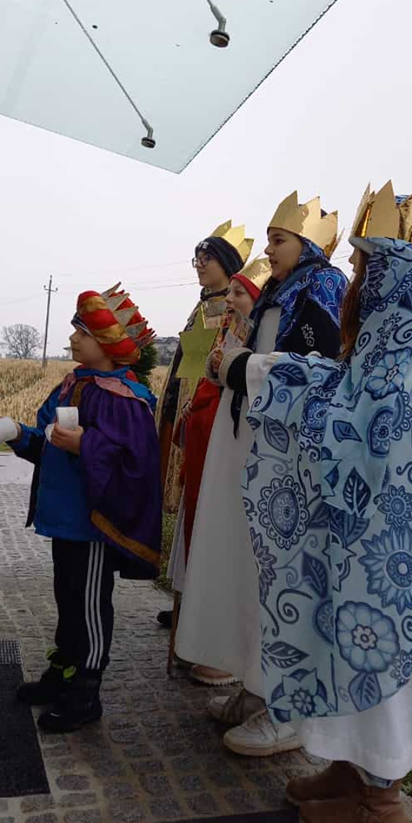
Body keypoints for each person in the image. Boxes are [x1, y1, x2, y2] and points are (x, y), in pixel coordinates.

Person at [240, 182, 412, 823]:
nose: (355, 279)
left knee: (385, 653)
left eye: (364, 265)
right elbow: (357, 392)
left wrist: (268, 376)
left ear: (395, 274)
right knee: (349, 642)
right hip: (372, 550)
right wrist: (276, 374)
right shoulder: (406, 339)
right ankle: (351, 770)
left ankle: (381, 802)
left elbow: (367, 422)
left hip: (395, 568)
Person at [175, 192, 347, 739]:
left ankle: (285, 707)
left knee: (279, 574)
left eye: (278, 240)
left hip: (287, 454)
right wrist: (228, 366)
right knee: (249, 567)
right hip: (248, 443)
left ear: (309, 244)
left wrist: (242, 367)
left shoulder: (323, 289)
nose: (268, 251)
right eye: (269, 240)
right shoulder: (277, 290)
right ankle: (255, 684)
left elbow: (319, 370)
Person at [3, 284, 161, 733]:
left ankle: (87, 689)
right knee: (67, 598)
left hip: (92, 523)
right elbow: (48, 442)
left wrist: (86, 444)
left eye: (83, 332)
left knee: (90, 603)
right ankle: (63, 671)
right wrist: (21, 436)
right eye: (75, 329)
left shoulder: (123, 398)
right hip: (65, 520)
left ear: (108, 344)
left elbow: (136, 461)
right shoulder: (72, 384)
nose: (73, 338)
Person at [170, 256, 272, 685]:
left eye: (238, 292)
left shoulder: (262, 336)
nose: (229, 300)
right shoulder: (229, 330)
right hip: (206, 449)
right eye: (228, 292)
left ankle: (223, 652)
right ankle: (196, 635)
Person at [155, 222, 252, 630]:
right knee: (185, 518)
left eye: (206, 258)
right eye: (196, 258)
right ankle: (181, 599)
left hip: (206, 416)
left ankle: (194, 607)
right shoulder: (202, 307)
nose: (199, 265)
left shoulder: (230, 313)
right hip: (184, 413)